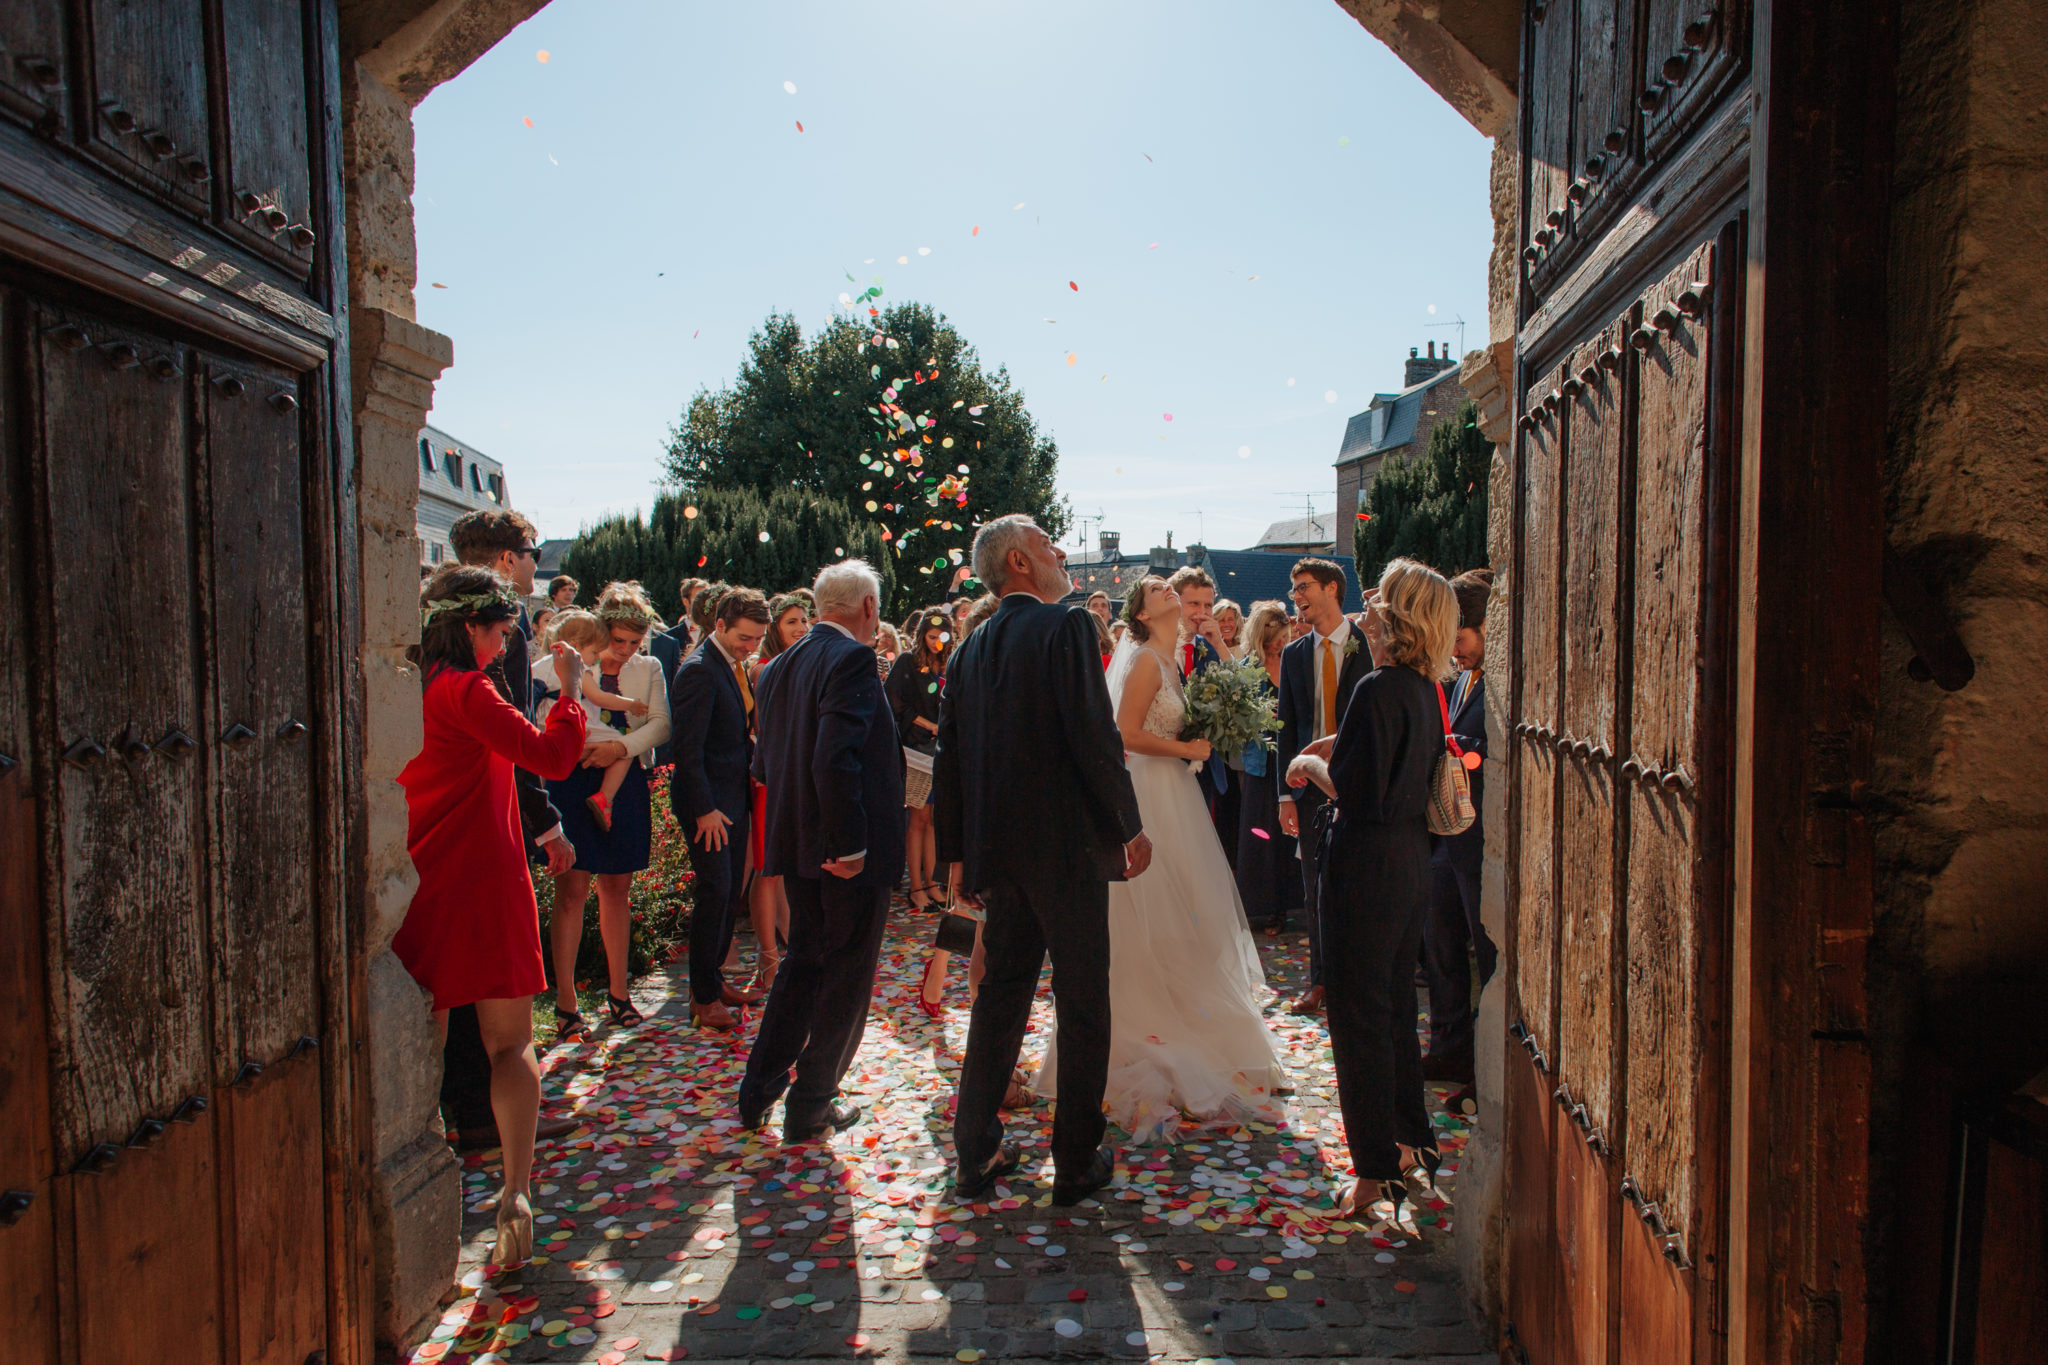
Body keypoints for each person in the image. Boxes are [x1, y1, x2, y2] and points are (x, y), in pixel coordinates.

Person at [934, 515, 1151, 1205]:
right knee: (1083, 997)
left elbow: (950, 761)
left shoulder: (969, 649)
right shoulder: (1064, 628)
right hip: (1066, 848)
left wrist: (957, 856)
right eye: (1050, 543)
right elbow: (1093, 734)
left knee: (1000, 998)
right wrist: (1129, 824)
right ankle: (1075, 1159)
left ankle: (974, 1152)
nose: (1063, 552)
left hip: (1001, 854)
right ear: (1022, 562)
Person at [1036, 576, 1285, 1140]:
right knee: (1153, 910)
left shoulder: (1174, 661)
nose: (1172, 594)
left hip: (1177, 789)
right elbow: (1124, 734)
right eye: (1161, 592)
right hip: (1151, 790)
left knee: (1189, 912)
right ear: (1143, 614)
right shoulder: (1147, 661)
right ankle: (1142, 1023)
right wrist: (1187, 748)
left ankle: (1188, 1014)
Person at [394, 564, 589, 1264]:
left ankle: (422, 1174)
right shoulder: (468, 689)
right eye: (502, 630)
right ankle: (514, 1188)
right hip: (483, 877)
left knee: (426, 1042)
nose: (505, 642)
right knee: (510, 1043)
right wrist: (567, 695)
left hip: (421, 874)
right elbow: (551, 755)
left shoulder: (406, 687)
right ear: (472, 627)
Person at [1295, 558, 1459, 1222]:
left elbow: (1356, 789)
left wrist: (1309, 762)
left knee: (1359, 1016)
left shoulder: (1376, 686)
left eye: (1379, 595)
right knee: (1392, 1005)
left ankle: (1371, 1172)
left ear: (1397, 615)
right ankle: (1409, 1137)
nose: (1366, 601)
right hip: (1409, 860)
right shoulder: (1419, 687)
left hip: (1364, 863)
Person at [736, 561, 906, 1139]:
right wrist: (849, 843)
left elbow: (765, 760)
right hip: (843, 850)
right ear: (866, 607)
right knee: (846, 975)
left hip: (797, 841)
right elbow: (836, 757)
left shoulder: (778, 665)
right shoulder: (852, 657)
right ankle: (812, 1101)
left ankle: (757, 1091)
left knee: (803, 963)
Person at [440, 509, 580, 1153]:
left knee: (447, 998)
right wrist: (571, 694)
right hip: (480, 842)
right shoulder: (474, 677)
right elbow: (533, 749)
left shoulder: (426, 670)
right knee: (496, 1009)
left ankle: (466, 1118)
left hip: (437, 844)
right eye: (529, 550)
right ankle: (491, 1128)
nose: (534, 561)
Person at [541, 584, 672, 1037]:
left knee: (617, 888)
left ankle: (619, 994)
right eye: (618, 641)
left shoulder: (649, 667)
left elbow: (659, 723)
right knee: (572, 890)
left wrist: (619, 745)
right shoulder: (575, 662)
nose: (625, 651)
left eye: (635, 643)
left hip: (623, 777)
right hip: (573, 775)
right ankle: (566, 1003)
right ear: (601, 631)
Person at [670, 586, 771, 1030]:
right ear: (720, 626)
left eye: (756, 640)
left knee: (730, 893)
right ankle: (702, 996)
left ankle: (711, 981)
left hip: (733, 796)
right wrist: (704, 809)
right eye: (744, 638)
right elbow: (686, 753)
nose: (750, 647)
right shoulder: (698, 671)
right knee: (714, 894)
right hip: (708, 803)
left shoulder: (730, 666)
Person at [1275, 557, 1369, 1015]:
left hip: (1358, 783)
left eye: (1304, 587)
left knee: (1359, 885)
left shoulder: (1367, 646)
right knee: (1315, 889)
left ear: (1333, 588)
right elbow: (1286, 727)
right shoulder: (1294, 654)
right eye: (1293, 590)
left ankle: (1357, 981)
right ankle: (1320, 983)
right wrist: (1285, 795)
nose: (1297, 597)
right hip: (1309, 789)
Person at [1421, 569, 1496, 1104]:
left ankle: (1487, 1066)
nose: (1454, 649)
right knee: (1440, 941)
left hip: (1481, 838)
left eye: (1461, 638)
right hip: (1448, 837)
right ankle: (1449, 1042)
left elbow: (1484, 751)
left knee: (1486, 953)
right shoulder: (1464, 677)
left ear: (1489, 625)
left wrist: (1459, 753)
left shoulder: (1500, 678)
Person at [743, 593, 811, 995]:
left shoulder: (799, 662)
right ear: (774, 629)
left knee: (781, 868)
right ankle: (767, 958)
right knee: (767, 871)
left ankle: (787, 946)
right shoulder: (765, 668)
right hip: (772, 775)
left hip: (793, 777)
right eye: (791, 622)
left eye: (804, 620)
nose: (801, 627)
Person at [541, 610, 650, 833]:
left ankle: (542, 804)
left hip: (546, 726)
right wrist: (631, 704)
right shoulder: (577, 666)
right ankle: (605, 798)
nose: (598, 658)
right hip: (578, 723)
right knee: (624, 746)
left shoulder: (541, 663)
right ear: (574, 645)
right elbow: (598, 697)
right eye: (594, 652)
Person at [1234, 601, 1299, 933]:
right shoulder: (1247, 668)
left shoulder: (1295, 661)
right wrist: (1260, 718)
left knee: (1291, 833)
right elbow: (1236, 719)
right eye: (1273, 637)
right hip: (1261, 762)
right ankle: (1263, 907)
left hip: (1290, 759)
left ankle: (1290, 904)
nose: (1279, 643)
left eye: (1283, 635)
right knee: (1262, 834)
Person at [888, 610, 952, 915]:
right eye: (931, 637)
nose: (937, 643)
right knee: (917, 820)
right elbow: (894, 702)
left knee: (933, 821)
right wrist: (929, 725)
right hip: (916, 750)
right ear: (921, 634)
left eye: (942, 637)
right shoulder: (907, 662)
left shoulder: (950, 663)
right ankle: (915, 886)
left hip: (942, 751)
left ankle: (932, 884)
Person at [1167, 564, 1230, 805]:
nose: (1202, 612)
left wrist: (1219, 644)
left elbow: (1240, 690)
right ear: (1174, 602)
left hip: (1205, 769)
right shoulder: (1153, 649)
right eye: (1194, 604)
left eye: (1207, 605)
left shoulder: (1210, 647)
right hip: (1165, 766)